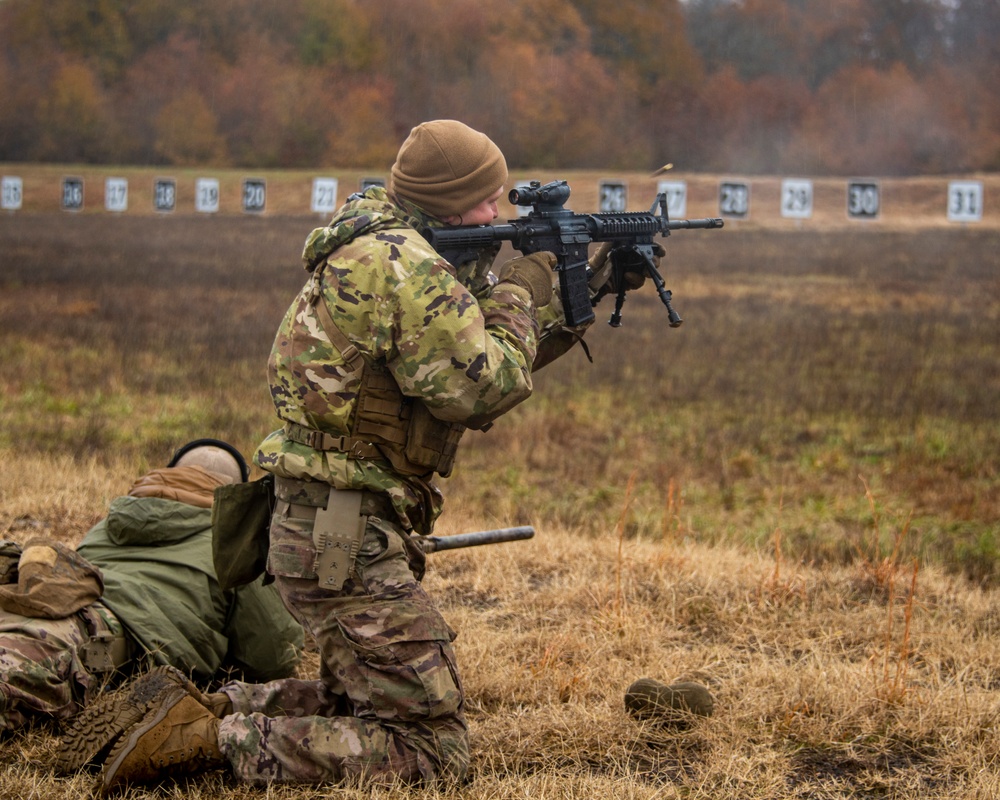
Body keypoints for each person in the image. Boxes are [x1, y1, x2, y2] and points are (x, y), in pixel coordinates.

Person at [87, 120, 710, 793]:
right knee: (430, 752)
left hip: (330, 520)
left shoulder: (386, 248)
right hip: (342, 533)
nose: (497, 215)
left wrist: (583, 281)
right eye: (486, 200)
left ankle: (196, 711)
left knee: (364, 704)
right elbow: (483, 384)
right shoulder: (401, 266)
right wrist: (523, 287)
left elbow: (477, 359)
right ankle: (206, 738)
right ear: (447, 200)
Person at [0, 438, 304, 745]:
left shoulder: (110, 524)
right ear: (234, 493)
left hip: (40, 607)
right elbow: (273, 656)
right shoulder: (235, 543)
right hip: (96, 637)